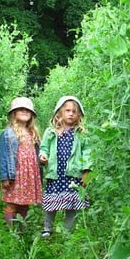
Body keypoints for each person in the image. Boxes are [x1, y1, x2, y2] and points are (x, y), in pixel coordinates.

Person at [39, 95, 92, 237]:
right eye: (67, 110)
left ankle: (67, 231)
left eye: (74, 111)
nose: (71, 113)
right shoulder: (51, 132)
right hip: (55, 174)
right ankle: (47, 228)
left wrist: (86, 172)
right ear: (59, 113)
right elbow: (43, 147)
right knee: (51, 202)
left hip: (73, 175)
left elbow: (87, 153)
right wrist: (43, 156)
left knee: (72, 204)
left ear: (79, 115)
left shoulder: (81, 134)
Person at [0, 97, 42, 230]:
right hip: (16, 173)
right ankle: (10, 231)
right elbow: (4, 155)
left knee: (24, 203)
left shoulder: (32, 133)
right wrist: (5, 176)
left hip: (29, 174)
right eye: (20, 109)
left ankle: (21, 231)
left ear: (32, 115)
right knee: (12, 202)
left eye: (27, 110)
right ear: (14, 113)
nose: (24, 111)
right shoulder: (8, 133)